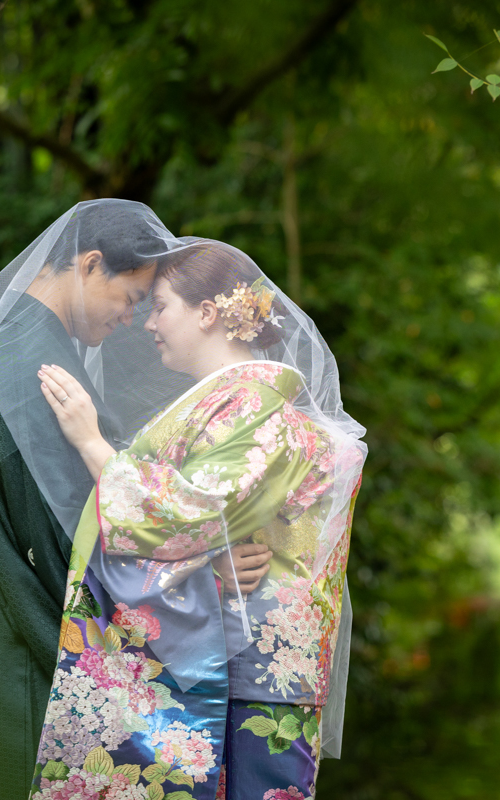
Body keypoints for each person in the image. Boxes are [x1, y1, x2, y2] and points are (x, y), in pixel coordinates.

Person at [0, 202, 273, 800]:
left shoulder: (23, 351)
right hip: (23, 668)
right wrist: (199, 569)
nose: (133, 318)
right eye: (130, 298)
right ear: (88, 266)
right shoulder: (37, 374)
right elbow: (72, 544)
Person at [31, 240, 366, 800]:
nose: (148, 324)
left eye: (161, 306)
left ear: (208, 312)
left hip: (243, 670)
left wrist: (92, 444)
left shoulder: (253, 405)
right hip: (238, 661)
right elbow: (217, 528)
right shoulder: (240, 402)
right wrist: (212, 563)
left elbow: (191, 514)